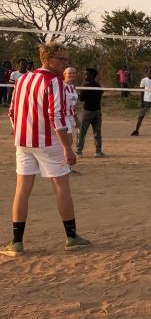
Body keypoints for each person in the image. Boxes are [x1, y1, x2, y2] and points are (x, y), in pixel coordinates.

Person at [1, 42, 92, 257]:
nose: (65, 63)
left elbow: (12, 112)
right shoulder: (54, 82)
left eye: (66, 59)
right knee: (61, 187)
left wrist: (20, 133)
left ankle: (16, 242)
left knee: (22, 189)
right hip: (48, 143)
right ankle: (71, 237)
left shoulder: (22, 80)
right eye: (61, 59)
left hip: (23, 142)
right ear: (47, 59)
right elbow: (57, 116)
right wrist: (67, 148)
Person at [76, 68, 104, 157]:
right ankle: (98, 151)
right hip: (97, 111)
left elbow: (81, 99)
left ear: (92, 76)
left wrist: (77, 93)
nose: (85, 76)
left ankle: (78, 151)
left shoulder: (86, 86)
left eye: (86, 74)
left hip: (87, 112)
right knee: (97, 132)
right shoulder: (98, 86)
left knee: (81, 132)